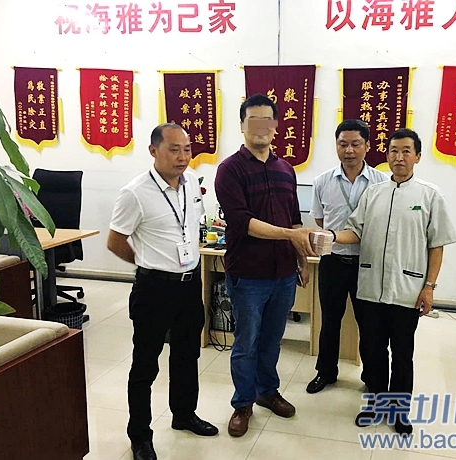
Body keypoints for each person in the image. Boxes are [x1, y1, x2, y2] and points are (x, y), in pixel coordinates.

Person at [334, 128, 456, 435]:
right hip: (370, 289)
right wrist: (330, 236)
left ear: (417, 157)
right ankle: (375, 402)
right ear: (386, 155)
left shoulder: (429, 195)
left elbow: (437, 245)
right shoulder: (373, 193)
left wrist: (429, 287)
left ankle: (399, 410)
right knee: (372, 351)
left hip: (408, 291)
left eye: (405, 151)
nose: (398, 157)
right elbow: (355, 232)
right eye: (393, 151)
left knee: (402, 354)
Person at [108, 123, 218, 460]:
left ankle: (184, 414)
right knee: (145, 364)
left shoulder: (192, 183)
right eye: (174, 149)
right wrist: (147, 263)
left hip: (189, 285)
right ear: (153, 151)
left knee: (187, 355)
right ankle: (140, 436)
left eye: (187, 149)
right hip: (154, 288)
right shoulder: (134, 192)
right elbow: (115, 241)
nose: (183, 156)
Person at [214, 94, 317, 438]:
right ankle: (243, 403)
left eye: (267, 121)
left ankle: (267, 392)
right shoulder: (230, 170)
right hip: (248, 274)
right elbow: (242, 222)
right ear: (242, 126)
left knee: (272, 340)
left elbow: (294, 219)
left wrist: (301, 260)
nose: (261, 128)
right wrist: (290, 234)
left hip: (284, 274)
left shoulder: (286, 169)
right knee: (246, 342)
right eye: (253, 120)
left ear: (275, 127)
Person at [306, 119, 387, 394]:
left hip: (368, 263)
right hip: (334, 260)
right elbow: (320, 219)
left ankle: (372, 377)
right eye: (343, 144)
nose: (349, 150)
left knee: (370, 324)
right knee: (330, 321)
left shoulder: (381, 182)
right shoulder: (322, 181)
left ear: (367, 146)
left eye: (355, 144)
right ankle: (326, 372)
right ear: (336, 146)